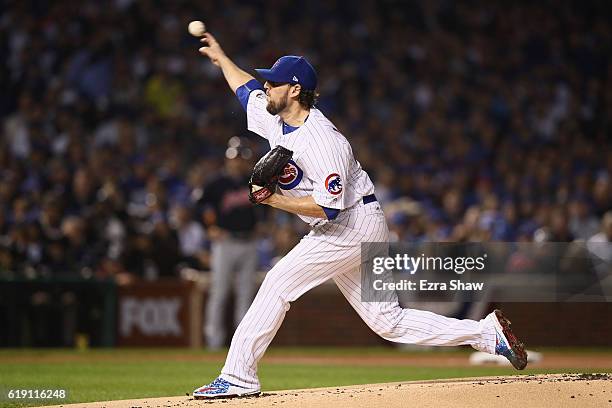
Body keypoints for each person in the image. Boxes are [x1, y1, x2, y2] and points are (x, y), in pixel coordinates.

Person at [193, 32, 527, 399]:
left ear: (293, 89)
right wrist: (222, 57)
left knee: (277, 283)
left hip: (350, 225)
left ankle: (239, 377)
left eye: (273, 82)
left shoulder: (322, 141)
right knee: (389, 322)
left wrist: (274, 202)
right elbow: (245, 90)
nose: (266, 86)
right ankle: (486, 334)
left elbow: (329, 207)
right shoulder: (276, 117)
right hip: (350, 224)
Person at [199, 139, 259, 350]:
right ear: (227, 159)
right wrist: (210, 226)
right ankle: (213, 342)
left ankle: (243, 345)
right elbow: (202, 206)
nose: (237, 162)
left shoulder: (253, 180)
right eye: (234, 158)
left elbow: (265, 209)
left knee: (246, 294)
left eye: (241, 158)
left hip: (249, 241)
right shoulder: (216, 183)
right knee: (220, 292)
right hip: (225, 242)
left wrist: (263, 225)